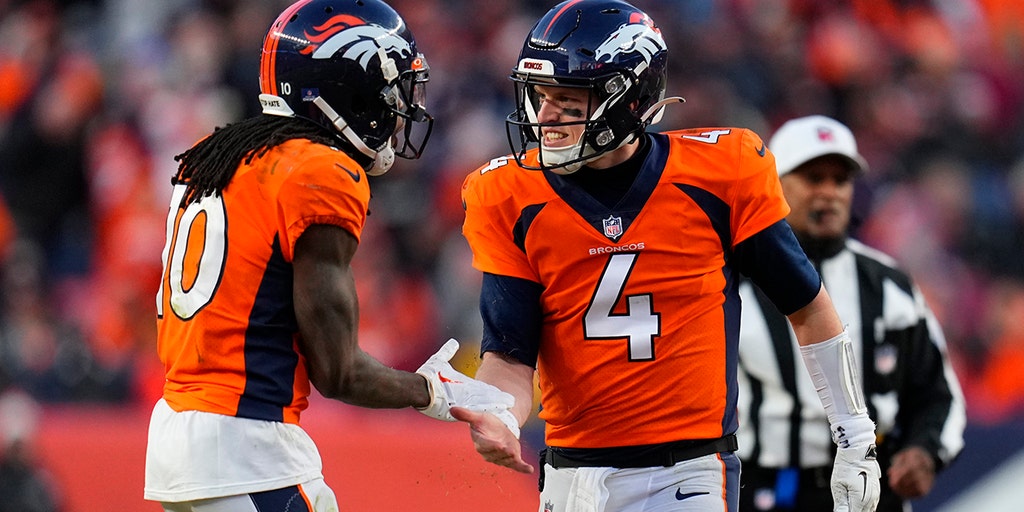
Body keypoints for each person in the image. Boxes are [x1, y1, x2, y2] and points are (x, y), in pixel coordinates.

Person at [451, 1, 881, 511]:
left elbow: (807, 307)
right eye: (540, 97)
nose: (544, 118)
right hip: (575, 474)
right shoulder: (509, 195)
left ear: (628, 101)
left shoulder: (721, 174)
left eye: (568, 101)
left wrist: (855, 435)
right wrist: (499, 412)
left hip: (690, 471)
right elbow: (510, 358)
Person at [144, 1, 517, 511]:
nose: (400, 108)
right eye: (390, 92)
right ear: (346, 87)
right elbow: (338, 371)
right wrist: (431, 392)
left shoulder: (217, 154)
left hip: (179, 438)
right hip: (247, 448)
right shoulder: (319, 170)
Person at [736, 115, 966, 511]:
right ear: (773, 182)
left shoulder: (889, 285)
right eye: (813, 178)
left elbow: (938, 393)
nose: (829, 193)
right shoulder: (733, 283)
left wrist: (924, 452)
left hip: (874, 490)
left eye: (840, 180)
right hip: (773, 489)